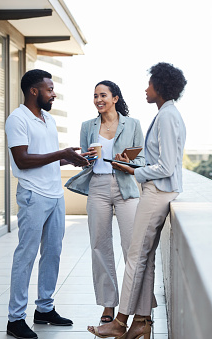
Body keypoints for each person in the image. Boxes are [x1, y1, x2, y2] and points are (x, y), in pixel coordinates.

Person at [87, 62, 187, 339]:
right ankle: (141, 321)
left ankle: (119, 322)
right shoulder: (168, 114)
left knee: (134, 257)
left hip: (156, 192)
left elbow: (166, 166)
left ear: (160, 87)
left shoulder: (166, 117)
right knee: (144, 257)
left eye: (150, 83)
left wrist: (134, 170)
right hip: (157, 190)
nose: (146, 88)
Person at [5, 69, 91, 339]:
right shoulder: (17, 119)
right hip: (33, 195)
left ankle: (44, 308)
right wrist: (59, 153)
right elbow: (23, 159)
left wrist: (71, 158)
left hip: (55, 195)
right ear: (34, 91)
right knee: (26, 255)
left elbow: (48, 158)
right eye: (49, 89)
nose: (53, 93)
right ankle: (15, 318)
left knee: (52, 253)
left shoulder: (49, 119)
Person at [65, 80, 145, 324]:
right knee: (100, 246)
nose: (98, 100)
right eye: (95, 96)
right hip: (97, 186)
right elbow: (83, 161)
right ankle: (108, 306)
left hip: (125, 186)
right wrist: (85, 159)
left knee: (132, 246)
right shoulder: (87, 125)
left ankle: (135, 305)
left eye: (103, 95)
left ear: (115, 98)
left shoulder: (132, 124)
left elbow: (141, 159)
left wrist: (126, 161)